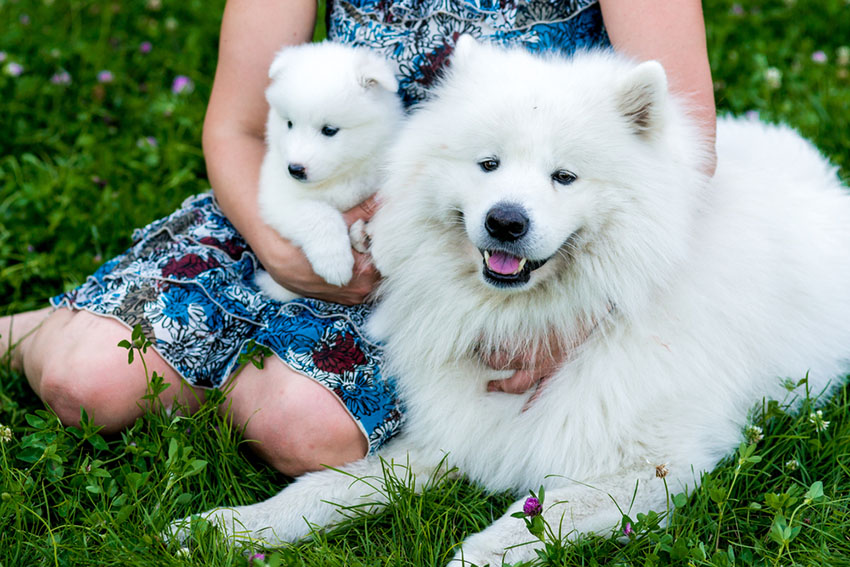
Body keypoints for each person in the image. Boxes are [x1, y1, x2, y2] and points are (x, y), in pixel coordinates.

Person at [0, 0, 716, 477]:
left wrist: (572, 320)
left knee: (297, 429)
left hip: (457, 270)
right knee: (81, 383)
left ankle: (182, 362)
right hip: (291, 201)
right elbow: (237, 126)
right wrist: (279, 246)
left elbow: (681, 146)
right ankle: (58, 333)